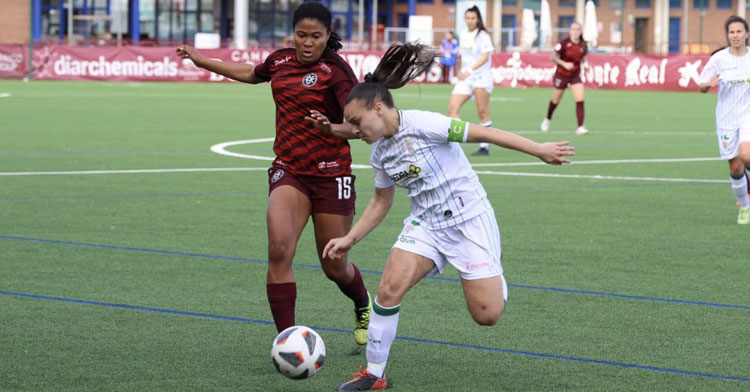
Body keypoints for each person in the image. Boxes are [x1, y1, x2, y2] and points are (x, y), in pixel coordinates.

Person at [308, 43, 575, 391]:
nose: (355, 130)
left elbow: (484, 133)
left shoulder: (425, 124)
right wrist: (350, 239)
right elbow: (380, 201)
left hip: (469, 220)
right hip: (427, 225)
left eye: (357, 123)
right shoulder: (380, 153)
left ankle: (493, 263)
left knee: (487, 315)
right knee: (389, 289)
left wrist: (539, 150)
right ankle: (374, 375)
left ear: (378, 108)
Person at [175, 1, 372, 343]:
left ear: (329, 36)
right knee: (279, 250)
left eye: (316, 36)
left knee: (333, 265)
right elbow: (251, 74)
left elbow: (358, 127)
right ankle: (288, 340)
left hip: (330, 174)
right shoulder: (279, 60)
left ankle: (362, 301)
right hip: (289, 170)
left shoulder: (337, 72)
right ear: (292, 33)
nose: (307, 43)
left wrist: (331, 129)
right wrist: (201, 59)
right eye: (301, 35)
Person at [698, 15, 750, 224]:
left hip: (748, 115)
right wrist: (708, 84)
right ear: (727, 36)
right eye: (732, 32)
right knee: (735, 167)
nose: (735, 35)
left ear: (746, 34)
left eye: (739, 31)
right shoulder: (719, 59)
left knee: (746, 156)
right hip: (726, 118)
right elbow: (701, 85)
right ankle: (744, 207)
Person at [447, 6, 496, 156]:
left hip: (481, 77)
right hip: (466, 78)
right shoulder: (463, 34)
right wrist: (461, 71)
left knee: (482, 113)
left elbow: (485, 57)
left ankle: (484, 147)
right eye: (468, 18)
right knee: (452, 108)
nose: (470, 21)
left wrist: (470, 70)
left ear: (478, 19)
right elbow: (463, 56)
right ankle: (457, 145)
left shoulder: (483, 35)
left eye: (473, 18)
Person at [541, 21, 589, 136]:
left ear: (581, 31)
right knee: (555, 100)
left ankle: (580, 127)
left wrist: (586, 65)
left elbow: (583, 57)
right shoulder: (563, 43)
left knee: (580, 98)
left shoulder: (583, 44)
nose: (575, 32)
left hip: (575, 75)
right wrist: (564, 63)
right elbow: (552, 56)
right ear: (570, 31)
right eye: (573, 29)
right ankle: (548, 119)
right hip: (562, 74)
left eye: (577, 29)